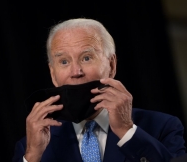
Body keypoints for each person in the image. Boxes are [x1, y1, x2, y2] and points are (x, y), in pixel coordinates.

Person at [12, 18, 186, 162]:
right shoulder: (30, 148)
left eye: (87, 58)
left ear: (111, 65)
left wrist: (127, 131)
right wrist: (33, 157)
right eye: (64, 61)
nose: (76, 72)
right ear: (53, 74)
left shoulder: (163, 127)